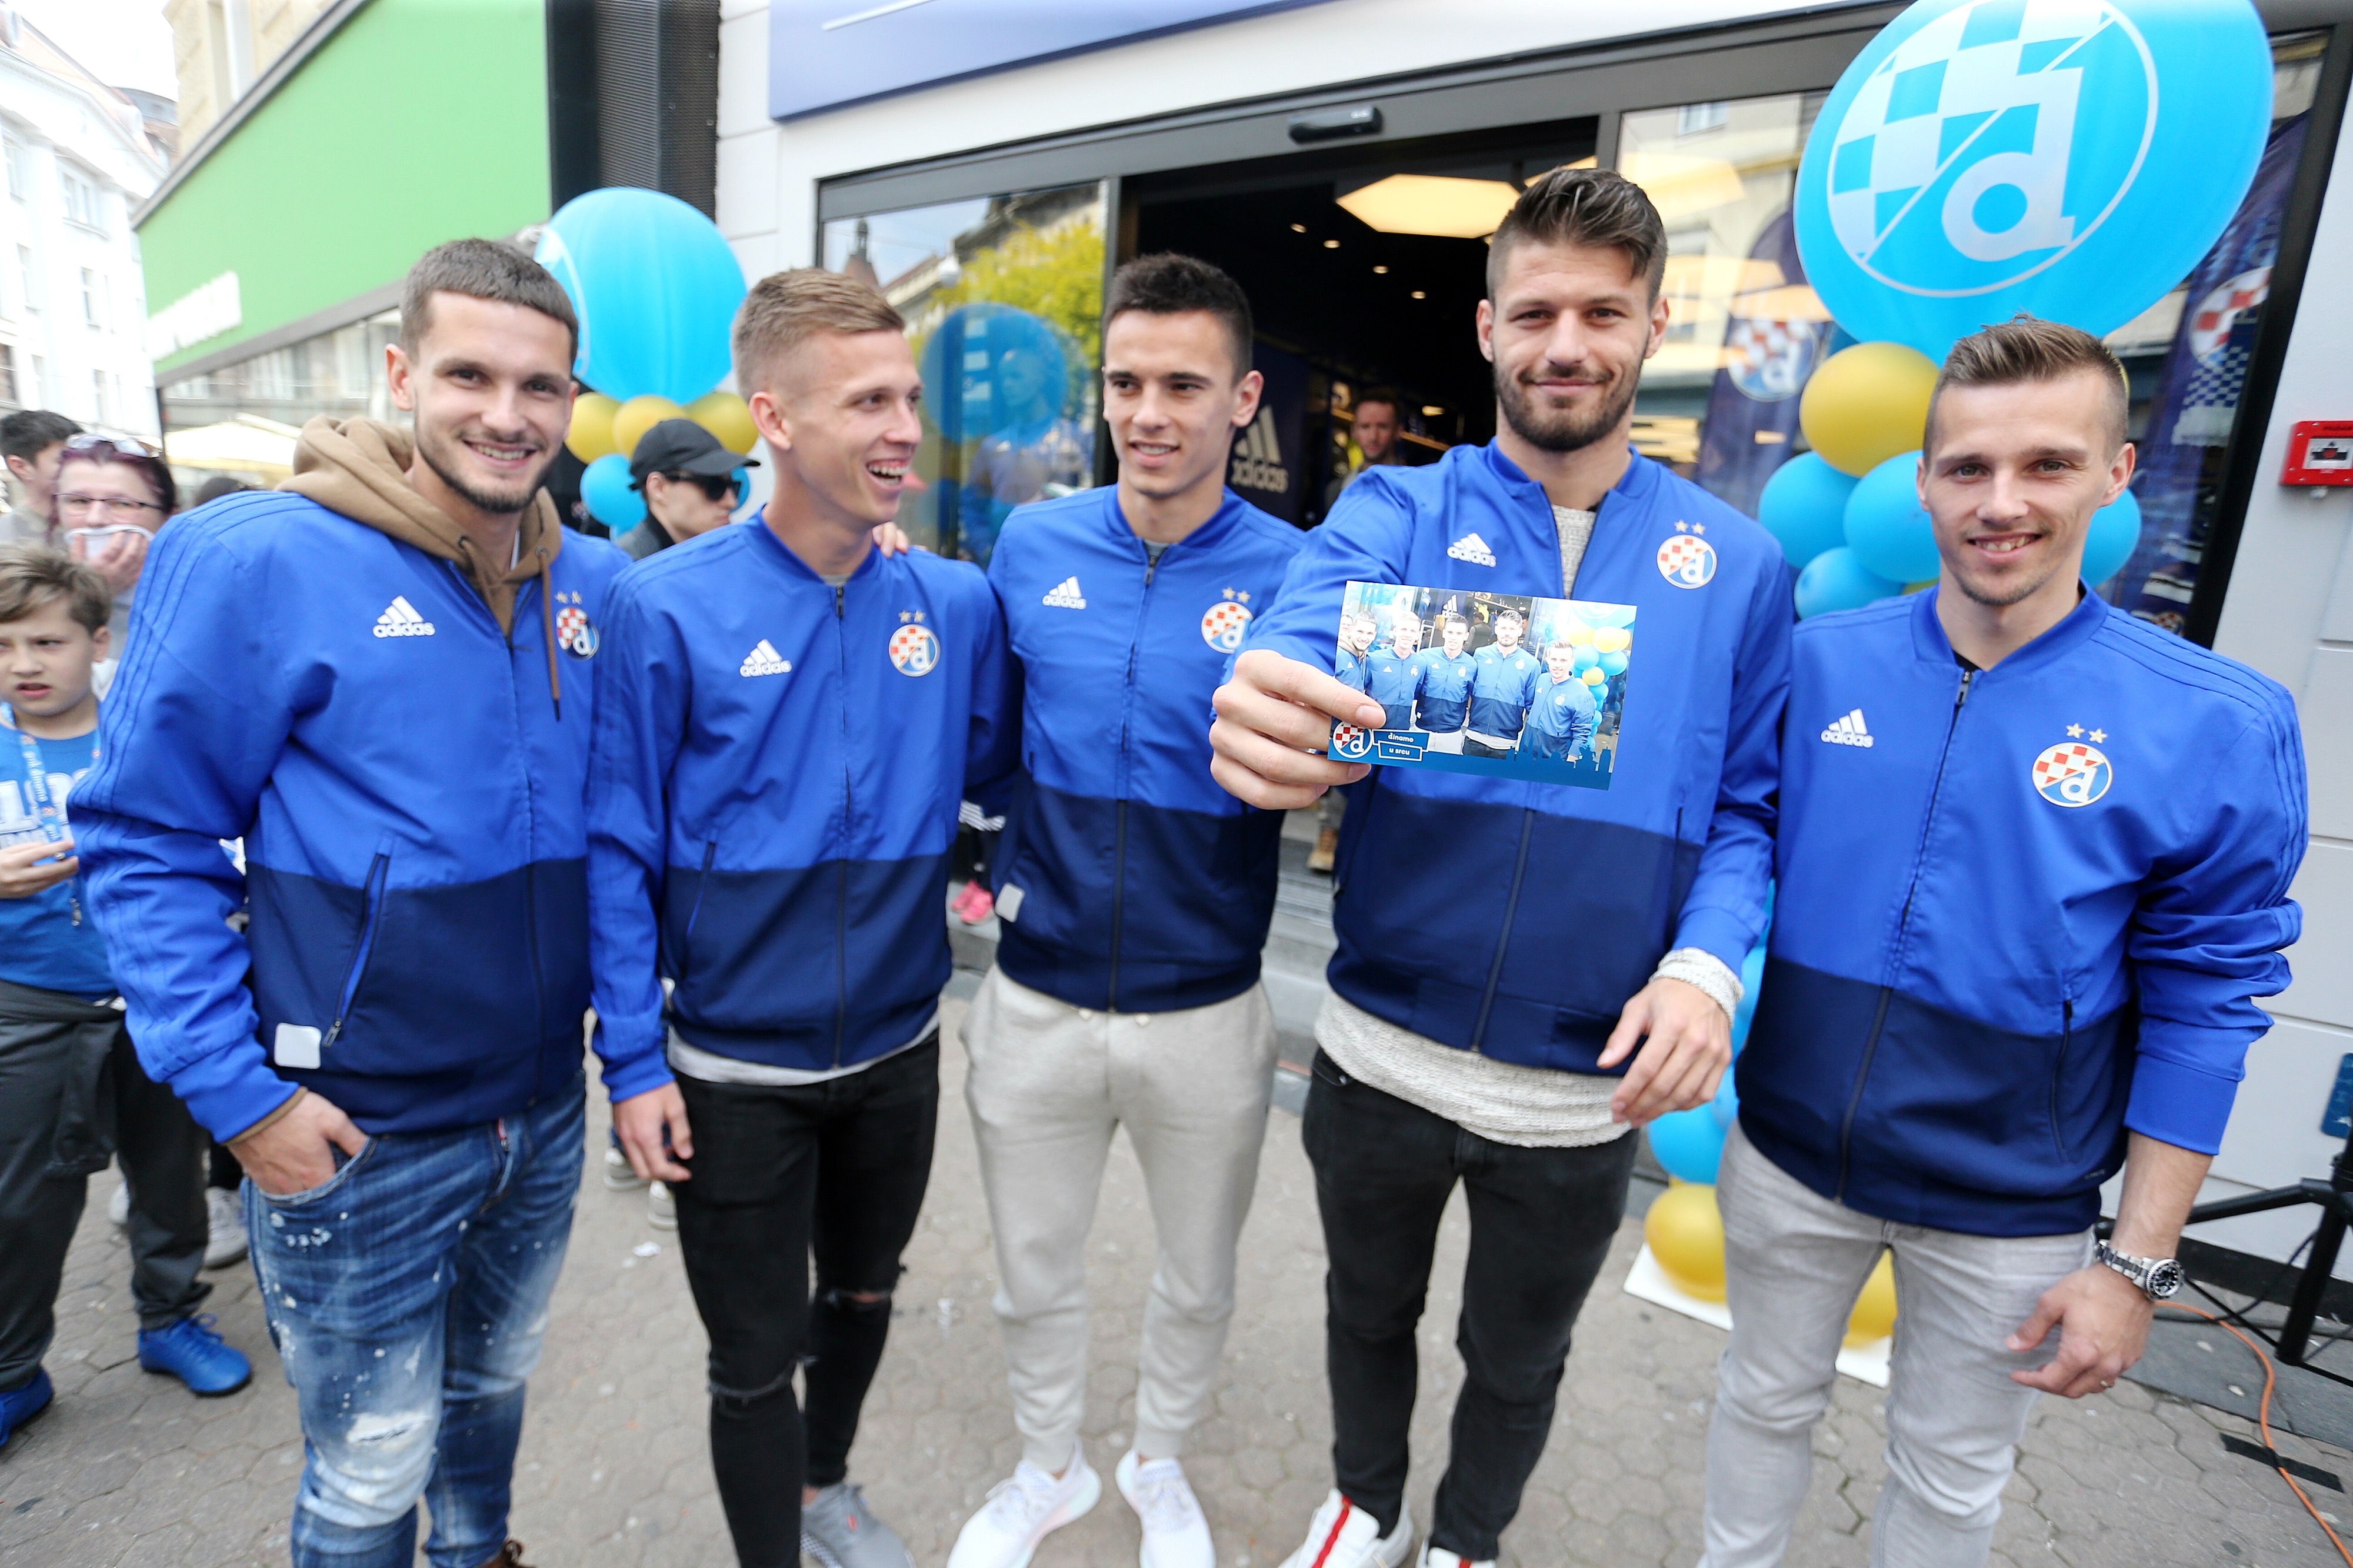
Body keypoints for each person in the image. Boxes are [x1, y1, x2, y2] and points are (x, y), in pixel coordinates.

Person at [1207, 166, 1791, 1568]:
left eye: (1601, 312)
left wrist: (1706, 967)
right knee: (1363, 1311)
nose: (1564, 343)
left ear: (1652, 327)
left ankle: (1465, 1538)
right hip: (1377, 1049)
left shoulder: (1739, 563)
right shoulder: (1393, 512)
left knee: (1517, 1356)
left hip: (1581, 1086)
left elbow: (1751, 808)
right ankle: (1365, 1503)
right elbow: (1300, 636)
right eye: (1534, 312)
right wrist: (1274, 699)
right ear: (1485, 329)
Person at [1702, 316, 2307, 1568]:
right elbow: (1728, 835)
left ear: (2115, 474)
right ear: (1920, 481)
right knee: (1758, 1406)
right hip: (1787, 1157)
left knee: (1949, 1480)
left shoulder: (2213, 723)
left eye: (2046, 464)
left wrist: (2135, 1265)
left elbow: (2208, 1003)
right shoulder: (1814, 665)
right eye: (1968, 467)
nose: (2002, 502)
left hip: (2011, 1205)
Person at [73, 238, 628, 1568]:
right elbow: (143, 837)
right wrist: (240, 1099)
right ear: (400, 374)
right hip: (355, 1130)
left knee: (490, 1396)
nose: (508, 413)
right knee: (371, 1466)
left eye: (541, 386)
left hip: (542, 1108)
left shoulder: (594, 583)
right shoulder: (255, 557)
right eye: (470, 374)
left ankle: (478, 1552)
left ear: (573, 401)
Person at [589, 268, 1014, 1568]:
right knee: (751, 1360)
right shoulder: (664, 605)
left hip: (896, 1052)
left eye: (908, 399)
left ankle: (824, 1487)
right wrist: (632, 1060)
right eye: (866, 402)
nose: (903, 429)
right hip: (732, 1075)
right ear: (772, 416)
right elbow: (616, 849)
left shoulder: (952, 603)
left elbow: (1003, 777)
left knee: (867, 1294)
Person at [948, 253, 1304, 1568]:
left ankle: (1158, 1462)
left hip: (1206, 1007)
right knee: (1028, 1269)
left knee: (1198, 1276)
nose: (1148, 414)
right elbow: (988, 746)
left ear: (1242, 400)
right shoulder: (1033, 543)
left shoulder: (1301, 571)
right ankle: (1047, 1467)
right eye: (1125, 382)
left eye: (1183, 386)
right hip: (1033, 994)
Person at [0, 547, 252, 1452]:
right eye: (4, 645)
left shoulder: (145, 733)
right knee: (24, 1198)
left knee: (170, 1175)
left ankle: (170, 1318)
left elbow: (216, 838)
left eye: (46, 641)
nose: (24, 663)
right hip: (30, 1005)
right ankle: (14, 1369)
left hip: (158, 996)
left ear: (98, 642)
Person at [52, 433, 175, 650]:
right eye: (79, 501)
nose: (95, 519)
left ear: (168, 517)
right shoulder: (26, 587)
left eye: (122, 504)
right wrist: (90, 592)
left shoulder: (202, 591)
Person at [617, 416, 756, 561]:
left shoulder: (729, 558)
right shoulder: (624, 568)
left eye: (732, 486)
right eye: (714, 486)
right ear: (659, 488)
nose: (731, 502)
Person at [1463, 608, 1541, 758]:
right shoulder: (1480, 654)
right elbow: (1468, 690)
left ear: (1520, 631)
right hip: (1474, 737)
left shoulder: (1532, 665)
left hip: (1506, 745)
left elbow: (1532, 706)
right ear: (1496, 629)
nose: (1507, 633)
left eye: (1512, 629)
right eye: (1503, 628)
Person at [1, 410, 79, 547]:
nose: (82, 468)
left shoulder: (106, 522)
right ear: (21, 467)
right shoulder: (6, 542)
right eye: (65, 460)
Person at [1322, 388, 1404, 513]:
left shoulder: (1413, 489)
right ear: (1354, 431)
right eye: (1365, 427)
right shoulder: (1335, 491)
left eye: (1382, 427)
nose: (1373, 437)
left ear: (1398, 431)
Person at [1515, 642, 1597, 763]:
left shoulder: (1583, 696)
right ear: (1547, 659)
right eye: (1554, 659)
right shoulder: (1542, 679)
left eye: (1563, 660)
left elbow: (1581, 735)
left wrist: (1569, 763)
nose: (1557, 665)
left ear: (1572, 662)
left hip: (1552, 761)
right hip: (1525, 754)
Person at [1407, 611, 1476, 752]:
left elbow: (1472, 697)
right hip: (1422, 730)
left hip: (1451, 735)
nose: (1453, 637)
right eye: (1450, 632)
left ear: (1466, 636)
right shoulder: (1425, 657)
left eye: (1459, 633)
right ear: (1444, 633)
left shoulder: (1472, 665)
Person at [1362, 610, 1423, 732]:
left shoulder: (1421, 663)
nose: (1407, 635)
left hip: (1402, 730)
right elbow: (1359, 690)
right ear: (1395, 631)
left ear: (1418, 635)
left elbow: (1416, 692)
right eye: (1404, 629)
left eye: (1413, 631)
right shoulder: (1374, 659)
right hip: (1373, 729)